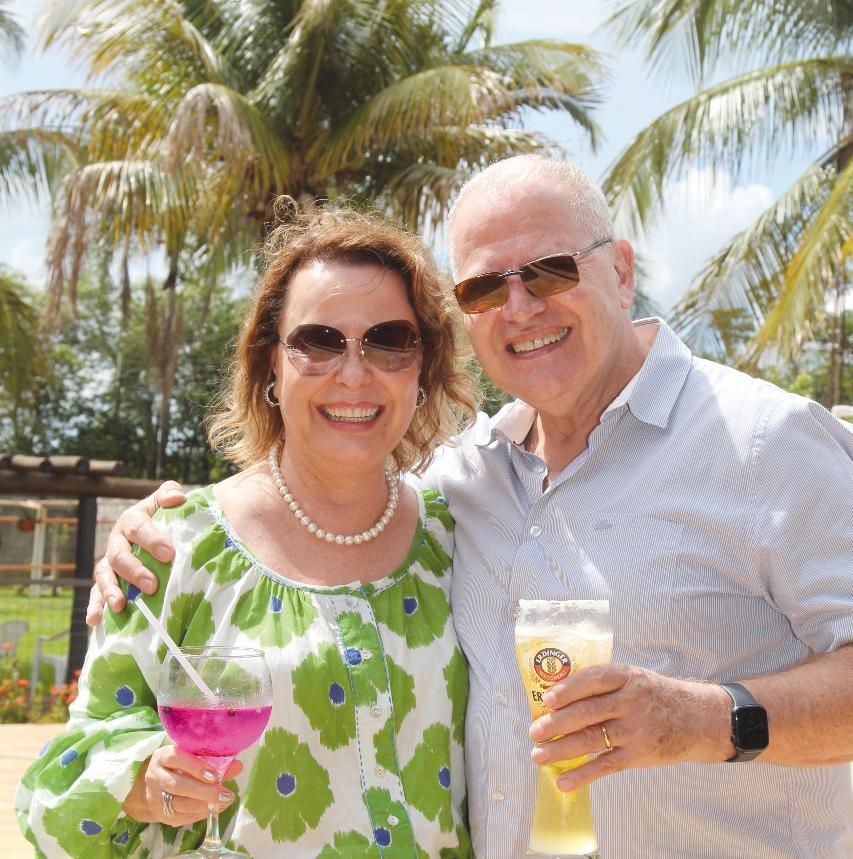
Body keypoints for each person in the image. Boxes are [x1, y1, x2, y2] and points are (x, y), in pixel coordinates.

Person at [87, 155, 853, 858]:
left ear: (620, 272)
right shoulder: (464, 482)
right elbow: (323, 492)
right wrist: (161, 525)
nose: (518, 308)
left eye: (548, 270)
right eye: (485, 287)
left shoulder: (764, 441)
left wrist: (707, 719)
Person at [17, 203, 480, 858]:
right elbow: (54, 790)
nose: (353, 372)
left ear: (422, 366)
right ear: (268, 363)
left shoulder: (462, 536)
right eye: (318, 341)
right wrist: (144, 782)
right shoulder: (175, 545)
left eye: (388, 341)